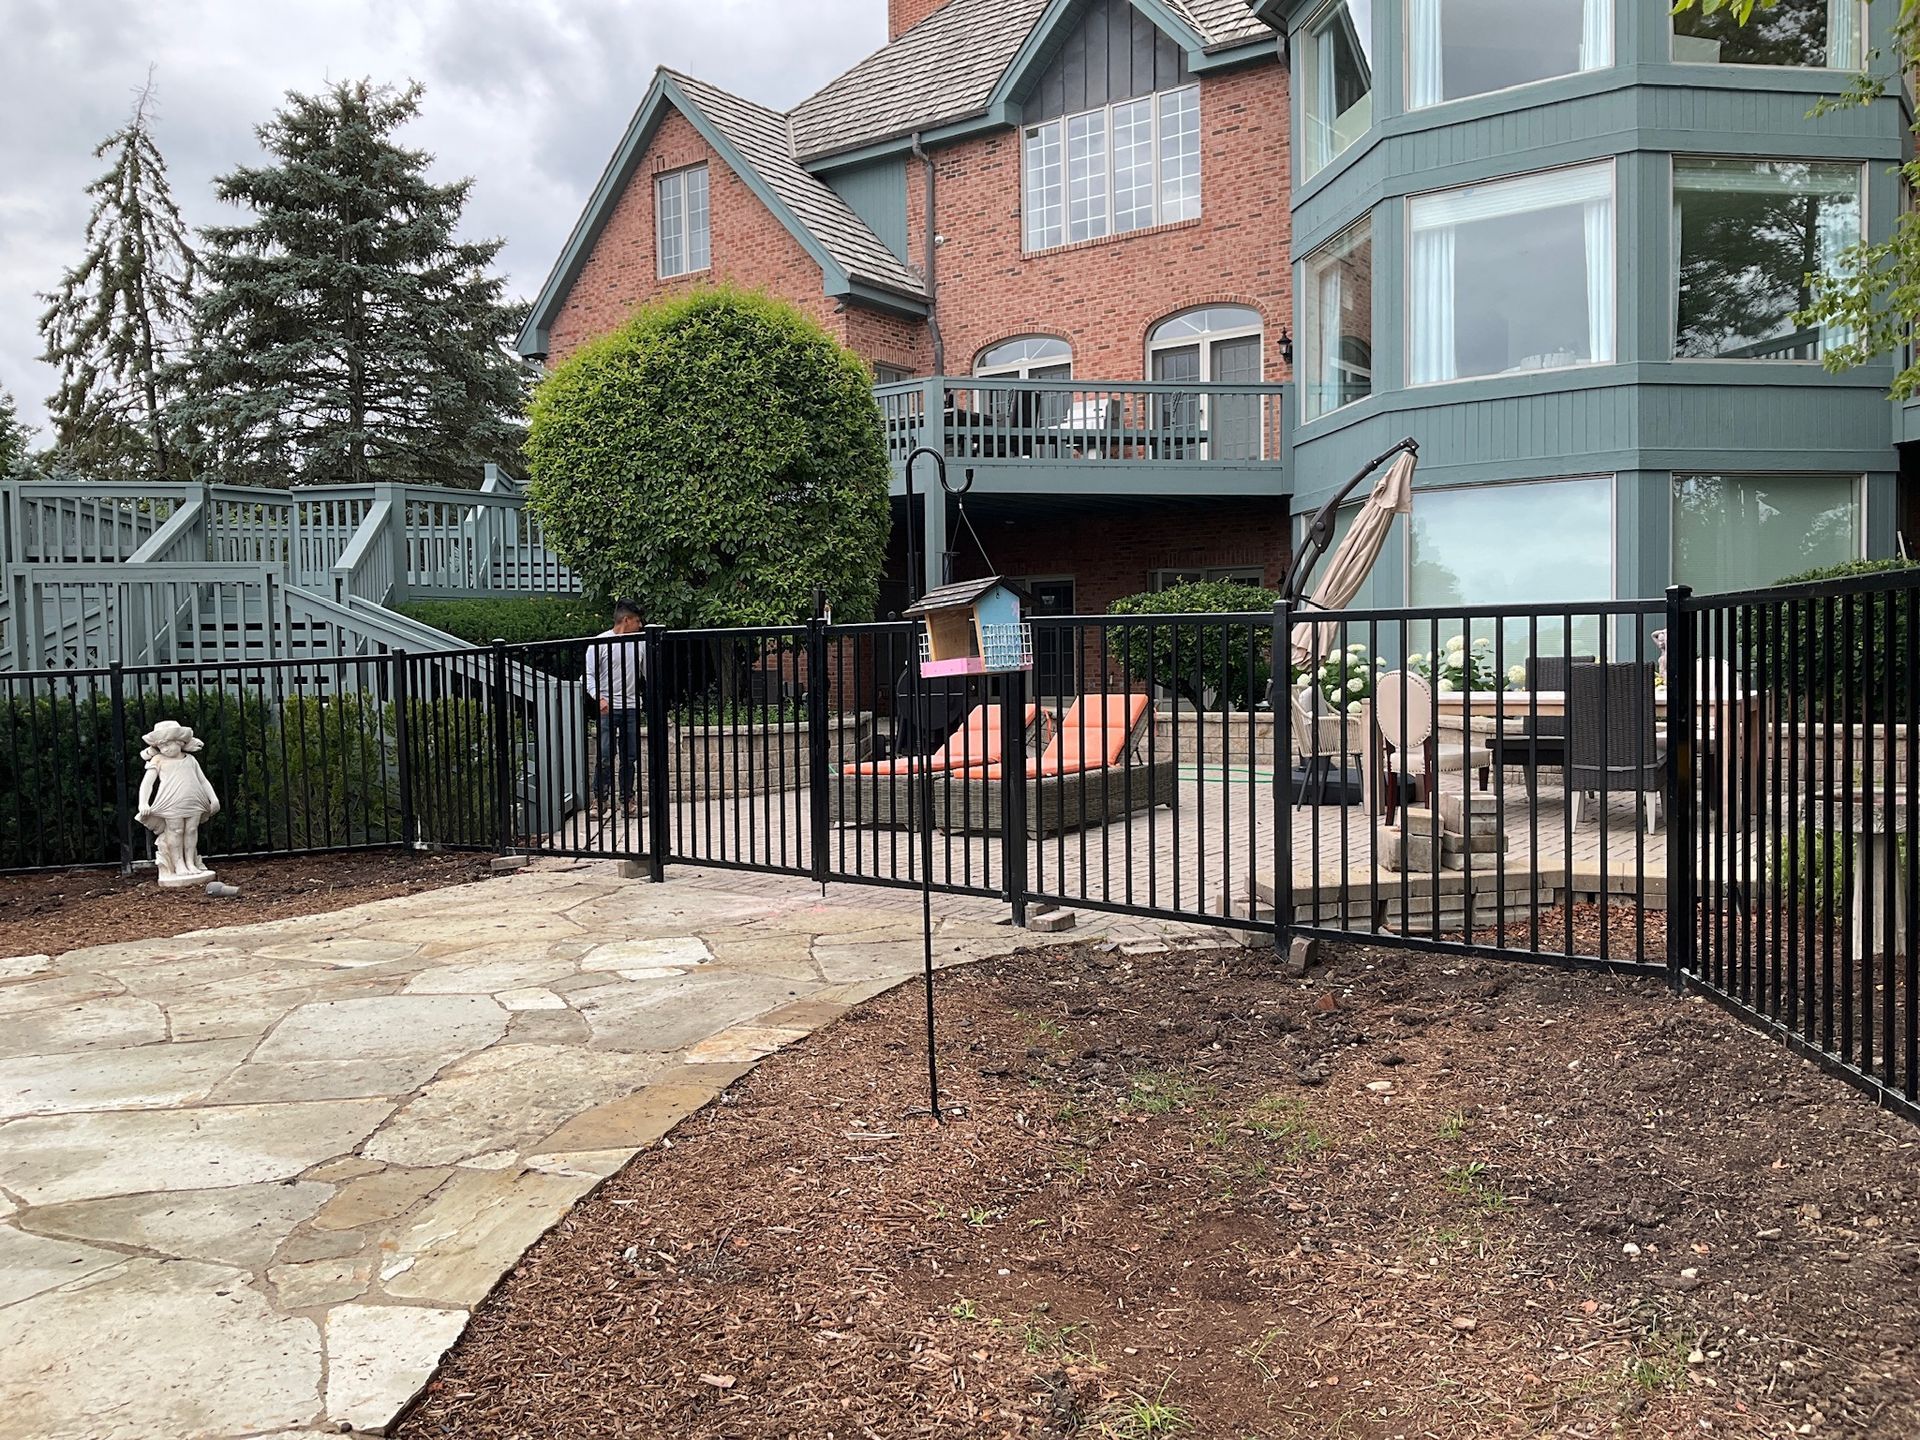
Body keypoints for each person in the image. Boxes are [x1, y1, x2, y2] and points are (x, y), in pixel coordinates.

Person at [585, 600, 645, 813]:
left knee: (630, 757)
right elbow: (589, 676)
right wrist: (599, 698)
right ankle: (600, 800)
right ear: (626, 620)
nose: (640, 625)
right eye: (637, 621)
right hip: (607, 707)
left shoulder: (640, 643)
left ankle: (627, 800)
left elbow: (646, 672)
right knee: (605, 755)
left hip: (631, 706)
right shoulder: (600, 642)